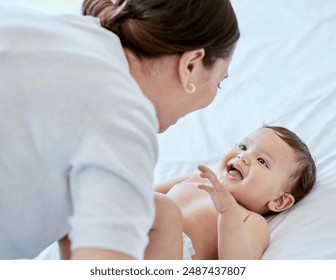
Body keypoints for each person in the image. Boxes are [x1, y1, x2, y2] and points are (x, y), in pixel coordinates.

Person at [0, 0, 240, 260]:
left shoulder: (63, 30)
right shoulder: (123, 117)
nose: (213, 94)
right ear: (191, 65)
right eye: (219, 83)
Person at [145, 126, 316, 260]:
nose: (244, 156)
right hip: (133, 241)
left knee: (164, 209)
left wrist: (227, 211)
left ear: (279, 201)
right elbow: (141, 194)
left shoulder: (250, 220)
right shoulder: (194, 178)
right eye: (243, 147)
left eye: (262, 161)